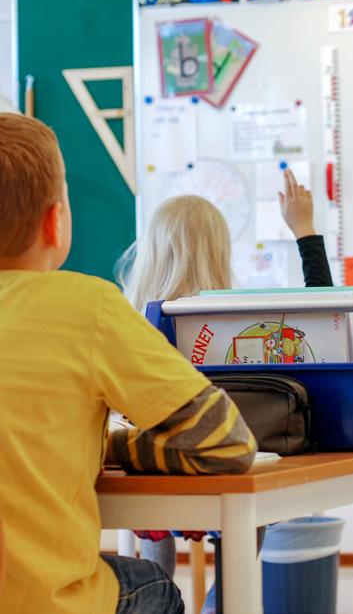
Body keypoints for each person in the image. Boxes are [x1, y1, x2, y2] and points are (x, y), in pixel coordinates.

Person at [0, 114, 256, 614]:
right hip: (44, 601)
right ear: (55, 221)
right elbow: (228, 444)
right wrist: (114, 445)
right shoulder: (86, 306)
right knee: (154, 584)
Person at [115, 169, 333, 609]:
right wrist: (305, 232)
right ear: (220, 248)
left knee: (152, 499)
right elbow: (327, 318)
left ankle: (162, 591)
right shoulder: (239, 320)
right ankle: (221, 601)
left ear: (152, 249)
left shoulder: (132, 321)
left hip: (155, 481)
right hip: (226, 473)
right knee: (248, 507)